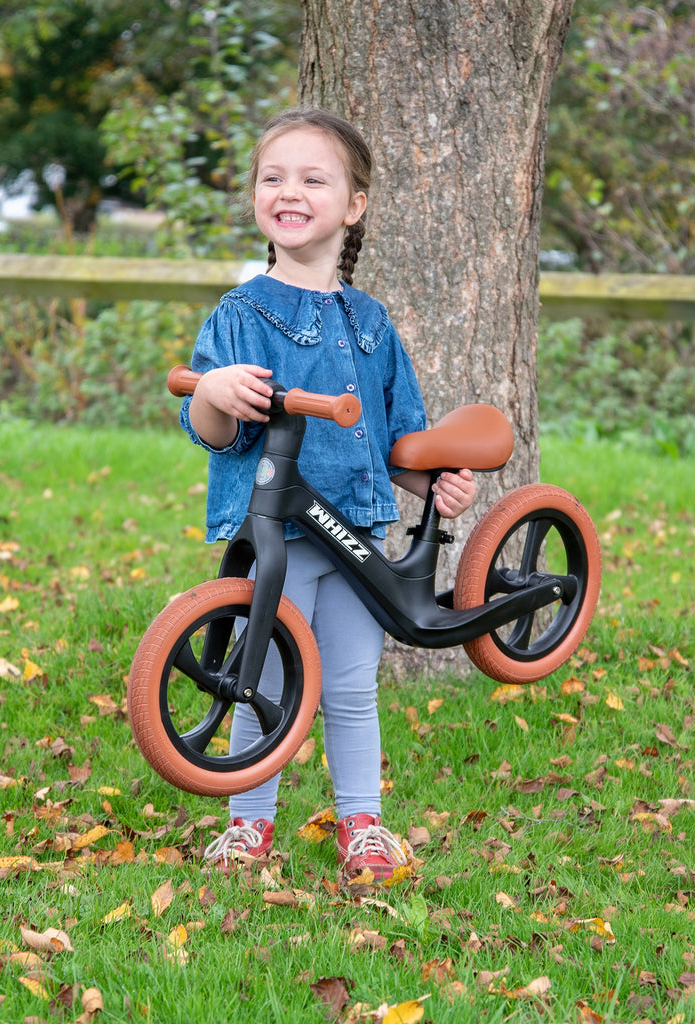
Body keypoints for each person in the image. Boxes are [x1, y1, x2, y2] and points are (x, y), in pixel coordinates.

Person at [180, 107, 477, 886]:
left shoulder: (372, 323)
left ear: (353, 206)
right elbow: (209, 429)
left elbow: (395, 442)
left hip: (358, 534)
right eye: (273, 177)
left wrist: (432, 484)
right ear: (255, 198)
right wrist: (214, 388)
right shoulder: (241, 314)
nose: (290, 191)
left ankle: (363, 825)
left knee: (349, 683)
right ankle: (248, 827)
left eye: (314, 178)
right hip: (277, 531)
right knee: (263, 678)